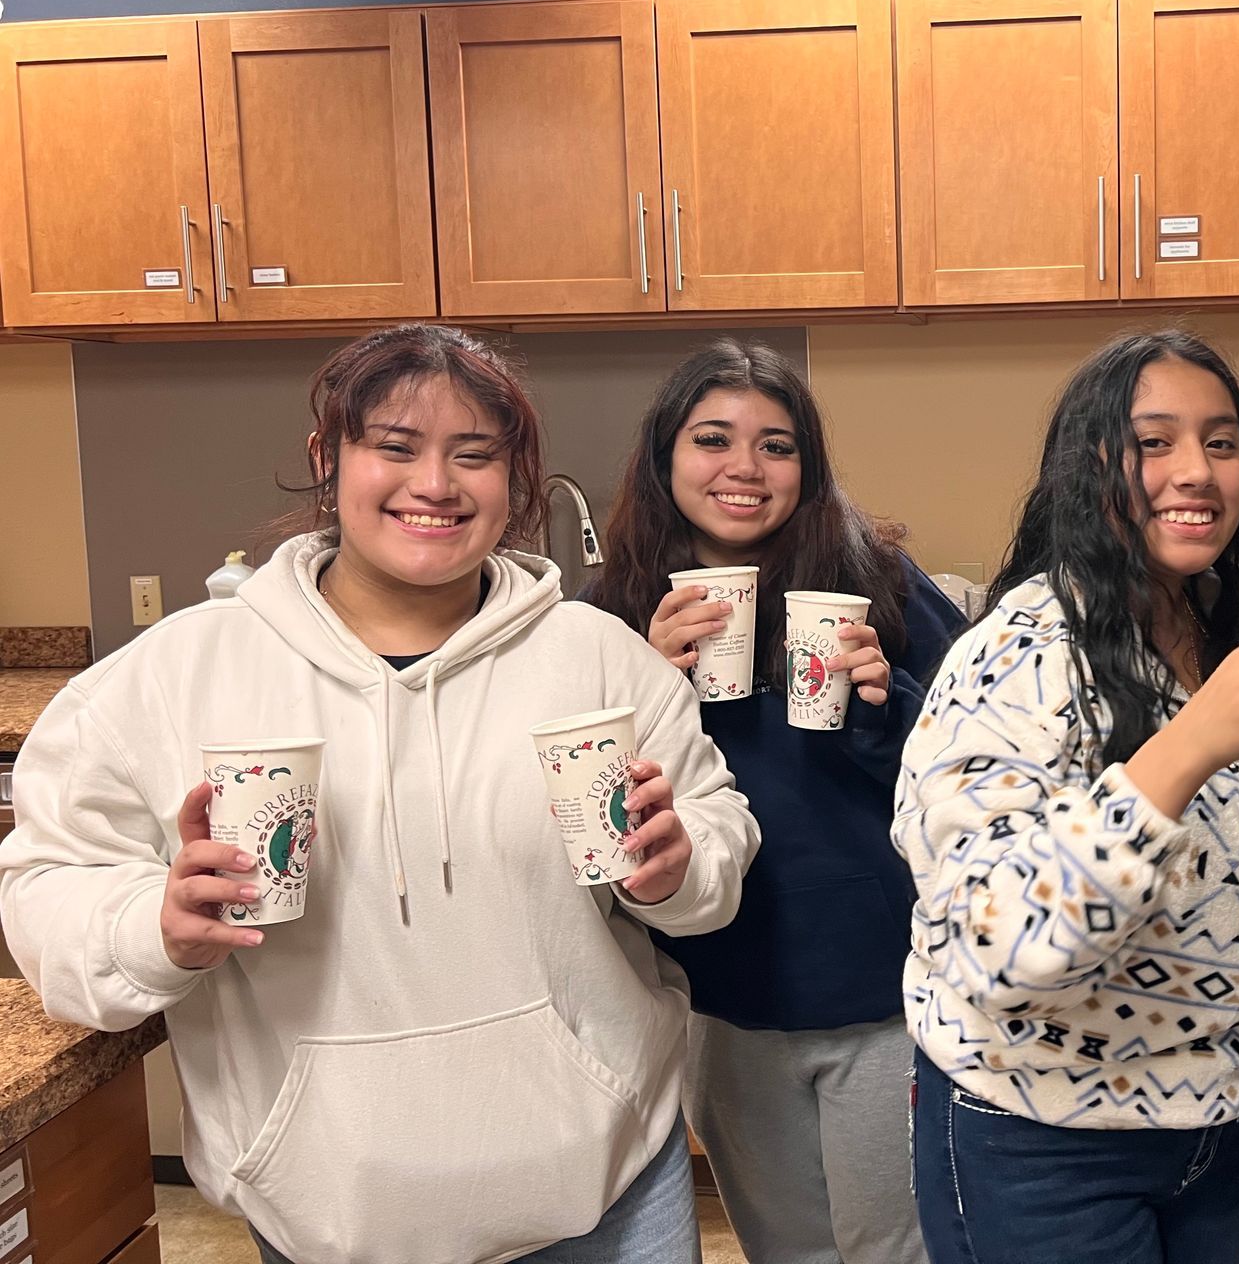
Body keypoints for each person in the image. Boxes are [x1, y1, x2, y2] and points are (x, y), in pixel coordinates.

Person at [0, 324, 759, 1264]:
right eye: (395, 447)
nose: (434, 485)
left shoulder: (600, 660)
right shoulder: (171, 678)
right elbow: (48, 884)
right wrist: (153, 927)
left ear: (513, 481)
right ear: (330, 459)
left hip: (605, 1195)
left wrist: (678, 870)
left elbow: (717, 832)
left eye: (472, 456)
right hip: (331, 1216)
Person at [893, 329, 1239, 1264]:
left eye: (1221, 442)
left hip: (1213, 1131)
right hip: (1044, 1145)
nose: (1196, 471)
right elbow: (998, 946)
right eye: (1154, 442)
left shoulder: (1220, 633)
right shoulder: (1014, 656)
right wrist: (1188, 746)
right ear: (1088, 465)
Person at [584, 339, 958, 1264]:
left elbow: (977, 772)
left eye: (777, 445)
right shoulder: (607, 618)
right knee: (786, 1249)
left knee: (898, 1252)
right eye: (714, 439)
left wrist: (884, 710)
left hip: (886, 996)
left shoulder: (881, 583)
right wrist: (639, 690)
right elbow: (581, 818)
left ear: (809, 466)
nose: (744, 469)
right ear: (665, 455)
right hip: (721, 998)